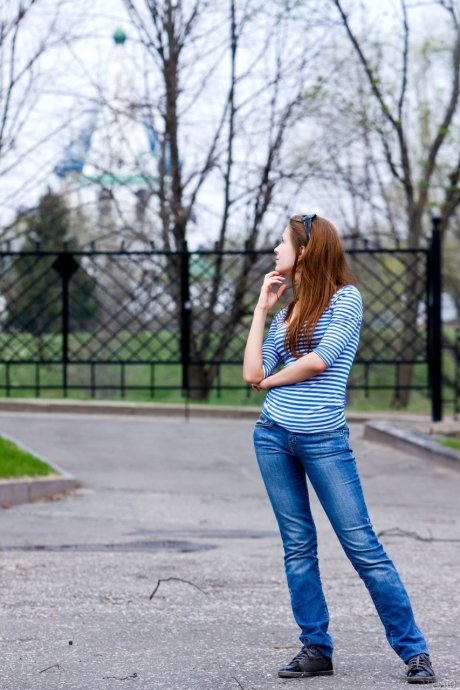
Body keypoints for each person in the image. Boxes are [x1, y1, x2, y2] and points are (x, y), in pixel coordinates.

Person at [243, 214, 436, 684]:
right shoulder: (287, 313)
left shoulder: (346, 300)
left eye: (282, 242)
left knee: (363, 547)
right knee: (297, 548)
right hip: (272, 437)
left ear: (306, 250)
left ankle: (414, 651)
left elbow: (319, 361)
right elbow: (252, 374)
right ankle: (316, 649)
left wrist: (270, 381)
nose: (275, 250)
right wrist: (262, 310)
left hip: (325, 442)